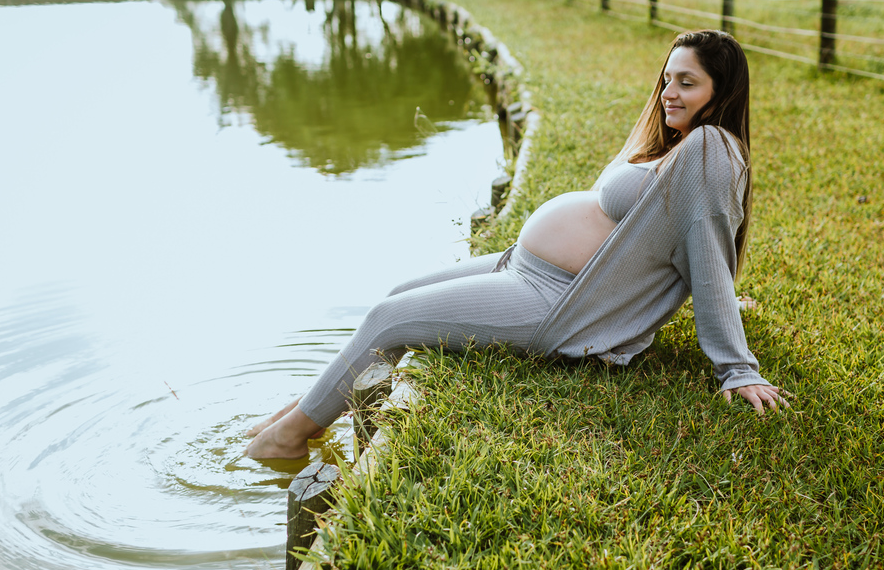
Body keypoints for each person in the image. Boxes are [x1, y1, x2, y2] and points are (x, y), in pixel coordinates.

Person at [245, 29, 791, 460]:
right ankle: (307, 410)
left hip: (557, 303)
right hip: (524, 268)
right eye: (667, 79)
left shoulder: (711, 148)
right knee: (395, 296)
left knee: (391, 318)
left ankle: (287, 439)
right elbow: (678, 238)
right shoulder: (682, 141)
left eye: (688, 83)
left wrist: (736, 366)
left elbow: (708, 242)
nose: (670, 93)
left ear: (721, 92)